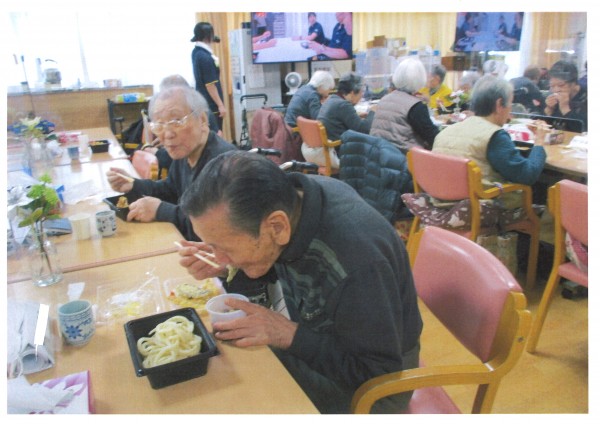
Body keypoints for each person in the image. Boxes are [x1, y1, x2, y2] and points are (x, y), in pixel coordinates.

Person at [177, 151, 423, 413]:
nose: (217, 257)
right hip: (324, 341)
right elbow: (276, 261)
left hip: (374, 389)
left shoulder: (357, 263)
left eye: (224, 248)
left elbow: (377, 376)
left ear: (277, 227)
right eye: (212, 246)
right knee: (230, 368)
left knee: (239, 392)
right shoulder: (294, 200)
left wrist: (287, 334)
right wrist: (229, 265)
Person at [106, 85, 236, 241]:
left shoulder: (224, 163)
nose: (167, 134)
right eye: (159, 125)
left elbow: (210, 228)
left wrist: (160, 210)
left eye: (176, 121)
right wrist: (133, 184)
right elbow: (170, 189)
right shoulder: (185, 152)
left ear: (202, 120)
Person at [433, 75, 547, 211]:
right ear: (499, 105)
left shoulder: (446, 131)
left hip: (442, 202)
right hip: (477, 207)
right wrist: (539, 141)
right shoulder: (495, 136)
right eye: (510, 105)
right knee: (545, 201)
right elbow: (528, 175)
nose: (510, 111)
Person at [370, 58, 439, 153]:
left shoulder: (384, 99)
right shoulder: (415, 106)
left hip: (380, 155)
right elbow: (433, 137)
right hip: (404, 157)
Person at [317, 72, 374, 142]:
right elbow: (364, 130)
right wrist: (372, 112)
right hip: (340, 145)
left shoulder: (331, 99)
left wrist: (357, 116)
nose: (362, 95)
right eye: (361, 92)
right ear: (352, 93)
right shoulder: (343, 105)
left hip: (330, 140)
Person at [191, 22, 227, 131]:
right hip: (211, 104)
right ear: (209, 36)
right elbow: (210, 85)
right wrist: (220, 105)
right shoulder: (205, 57)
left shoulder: (196, 52)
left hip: (203, 101)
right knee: (216, 133)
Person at [544, 59, 587, 132]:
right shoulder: (553, 98)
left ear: (574, 83)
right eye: (552, 86)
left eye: (561, 85)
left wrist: (565, 109)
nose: (556, 90)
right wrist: (549, 110)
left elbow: (584, 129)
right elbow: (546, 128)